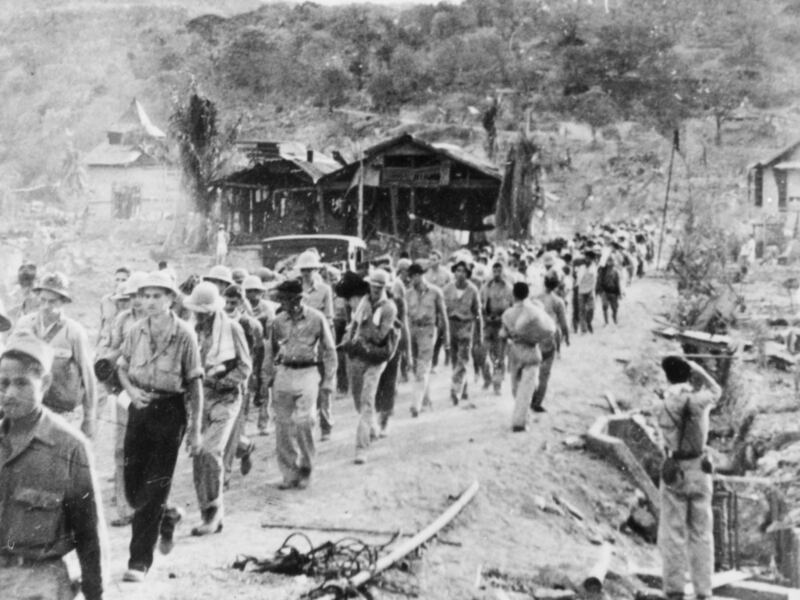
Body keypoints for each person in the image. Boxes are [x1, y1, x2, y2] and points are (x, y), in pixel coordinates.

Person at [0, 332, 108, 600]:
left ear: (45, 382)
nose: (10, 393)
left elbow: (89, 531)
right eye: (3, 383)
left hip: (39, 581)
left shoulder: (69, 446)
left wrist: (96, 593)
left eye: (22, 383)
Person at [116, 271, 204, 582]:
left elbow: (195, 385)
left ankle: (138, 562)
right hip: (139, 409)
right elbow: (121, 366)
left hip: (170, 411)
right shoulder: (135, 330)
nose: (150, 302)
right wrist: (129, 390)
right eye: (146, 296)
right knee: (132, 486)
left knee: (154, 488)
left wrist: (195, 431)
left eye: (157, 296)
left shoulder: (184, 335)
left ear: (170, 299)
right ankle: (167, 516)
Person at [184, 282, 251, 536]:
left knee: (212, 452)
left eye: (202, 312)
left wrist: (219, 381)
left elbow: (245, 368)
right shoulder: (193, 332)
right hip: (200, 400)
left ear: (212, 311)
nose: (198, 316)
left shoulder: (232, 329)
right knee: (199, 454)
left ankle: (214, 511)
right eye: (196, 311)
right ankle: (208, 513)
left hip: (226, 399)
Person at [657, 356, 722, 600]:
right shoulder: (700, 401)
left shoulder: (663, 404)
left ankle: (674, 589)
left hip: (674, 467)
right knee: (702, 533)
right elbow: (717, 390)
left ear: (667, 376)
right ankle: (703, 590)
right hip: (699, 467)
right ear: (688, 375)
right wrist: (700, 372)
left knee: (673, 532)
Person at [264, 279, 336, 489]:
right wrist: (266, 378)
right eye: (281, 300)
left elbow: (330, 351)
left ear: (296, 300)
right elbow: (271, 352)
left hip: (308, 372)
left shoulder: (316, 318)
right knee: (283, 425)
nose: (282, 304)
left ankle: (306, 468)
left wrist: (329, 380)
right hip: (284, 372)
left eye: (286, 300)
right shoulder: (277, 322)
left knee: (305, 420)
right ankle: (289, 473)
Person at [14, 272, 99, 440]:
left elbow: (88, 376)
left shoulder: (74, 332)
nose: (46, 305)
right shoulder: (24, 325)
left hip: (60, 412)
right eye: (43, 299)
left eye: (52, 301)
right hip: (27, 409)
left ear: (63, 302)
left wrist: (89, 417)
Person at [99, 271, 147, 527]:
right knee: (122, 448)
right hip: (125, 389)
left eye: (140, 295)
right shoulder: (122, 319)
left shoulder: (156, 320)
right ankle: (125, 508)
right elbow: (112, 350)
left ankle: (148, 507)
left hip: (151, 390)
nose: (136, 301)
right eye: (131, 296)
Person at [341, 269, 398, 463]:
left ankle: (361, 448)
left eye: (379, 287)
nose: (375, 290)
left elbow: (381, 336)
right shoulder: (363, 302)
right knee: (358, 399)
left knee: (366, 399)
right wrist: (350, 340)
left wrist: (365, 333)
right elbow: (354, 325)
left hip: (375, 358)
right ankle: (372, 427)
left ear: (385, 288)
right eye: (373, 286)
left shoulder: (389, 308)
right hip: (358, 356)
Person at [500, 282, 555, 432]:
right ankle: (520, 421)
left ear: (514, 294)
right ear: (527, 294)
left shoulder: (508, 314)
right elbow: (549, 329)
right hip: (531, 350)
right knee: (527, 387)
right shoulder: (534, 310)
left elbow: (503, 334)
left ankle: (521, 416)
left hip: (515, 351)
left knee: (516, 388)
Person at [221, 283, 261, 482]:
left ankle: (224, 476)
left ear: (241, 303)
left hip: (238, 383)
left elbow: (253, 354)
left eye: (233, 302)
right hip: (215, 382)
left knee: (231, 431)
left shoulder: (246, 324)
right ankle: (246, 447)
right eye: (226, 301)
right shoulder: (216, 318)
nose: (229, 306)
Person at [296, 250, 336, 441]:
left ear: (316, 270)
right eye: (303, 270)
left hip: (321, 340)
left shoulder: (325, 290)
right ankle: (305, 426)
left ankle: (326, 425)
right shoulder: (296, 290)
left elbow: (328, 318)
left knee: (325, 386)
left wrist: (322, 338)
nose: (306, 273)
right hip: (301, 343)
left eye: (310, 270)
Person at [406, 262, 449, 417]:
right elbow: (406, 317)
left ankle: (415, 405)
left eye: (412, 277)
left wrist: (447, 338)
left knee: (422, 367)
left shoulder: (435, 292)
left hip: (428, 331)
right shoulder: (408, 294)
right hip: (413, 331)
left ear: (418, 275)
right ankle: (426, 400)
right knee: (417, 366)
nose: (410, 280)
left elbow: (443, 316)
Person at [442, 261, 483, 405]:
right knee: (455, 360)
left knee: (463, 358)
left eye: (464, 271)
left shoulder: (473, 290)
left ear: (468, 274)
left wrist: (480, 334)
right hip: (451, 325)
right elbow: (442, 312)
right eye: (458, 271)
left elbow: (477, 313)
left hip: (466, 326)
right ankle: (463, 388)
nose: (460, 274)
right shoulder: (447, 289)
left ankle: (456, 389)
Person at [243, 275, 277, 436]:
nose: (253, 295)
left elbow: (271, 330)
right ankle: (241, 424)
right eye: (249, 291)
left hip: (264, 347)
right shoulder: (241, 307)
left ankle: (263, 422)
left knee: (265, 384)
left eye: (255, 291)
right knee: (246, 386)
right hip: (246, 348)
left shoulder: (267, 308)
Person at [532, 274, 569, 413]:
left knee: (531, 370)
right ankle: (537, 401)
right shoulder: (558, 301)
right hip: (549, 338)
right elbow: (564, 324)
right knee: (544, 373)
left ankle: (530, 397)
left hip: (534, 337)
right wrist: (567, 337)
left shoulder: (534, 298)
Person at [481, 261, 514, 394]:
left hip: (502, 324)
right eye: (494, 271)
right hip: (488, 324)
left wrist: (506, 322)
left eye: (499, 271)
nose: (497, 274)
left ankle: (497, 384)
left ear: (503, 272)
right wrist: (484, 318)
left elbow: (512, 308)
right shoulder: (486, 287)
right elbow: (481, 305)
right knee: (483, 353)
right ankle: (487, 378)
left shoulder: (509, 288)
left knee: (499, 356)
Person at [425, 251, 452, 370]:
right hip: (431, 309)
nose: (432, 262)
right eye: (430, 259)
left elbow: (452, 290)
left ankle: (445, 355)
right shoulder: (426, 275)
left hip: (443, 308)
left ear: (440, 260)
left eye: (434, 259)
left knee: (441, 335)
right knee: (431, 335)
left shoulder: (446, 274)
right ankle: (432, 362)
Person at [98, 266, 131, 348]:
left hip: (123, 346)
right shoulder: (105, 300)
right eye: (117, 279)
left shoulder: (132, 302)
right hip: (104, 346)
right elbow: (102, 325)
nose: (120, 283)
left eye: (124, 280)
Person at [597, 254, 622, 325]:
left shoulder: (616, 272)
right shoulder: (602, 271)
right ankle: (606, 321)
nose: (610, 263)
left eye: (612, 261)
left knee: (615, 308)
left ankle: (614, 316)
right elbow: (599, 281)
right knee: (604, 306)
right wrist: (600, 291)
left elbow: (618, 283)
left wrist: (619, 293)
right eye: (609, 261)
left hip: (613, 291)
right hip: (604, 291)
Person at [576, 250, 598, 334]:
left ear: (592, 259)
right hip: (581, 290)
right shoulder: (582, 267)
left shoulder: (594, 267)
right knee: (581, 310)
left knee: (591, 308)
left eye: (589, 258)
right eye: (586, 257)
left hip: (590, 290)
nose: (587, 259)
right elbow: (578, 279)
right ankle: (583, 329)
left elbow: (595, 279)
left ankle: (588, 322)